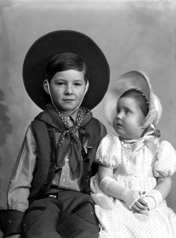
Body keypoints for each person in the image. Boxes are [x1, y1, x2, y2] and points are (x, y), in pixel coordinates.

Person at [0, 30, 110, 238]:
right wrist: (14, 225)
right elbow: (21, 178)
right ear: (47, 86)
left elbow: (108, 174)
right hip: (43, 200)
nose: (69, 91)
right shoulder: (38, 128)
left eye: (76, 84)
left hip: (81, 200)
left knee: (86, 232)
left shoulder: (97, 129)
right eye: (61, 83)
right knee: (39, 232)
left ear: (85, 87)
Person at [90, 71, 176, 238]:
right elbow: (104, 179)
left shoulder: (159, 149)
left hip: (148, 205)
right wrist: (126, 195)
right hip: (119, 201)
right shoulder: (112, 144)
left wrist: (152, 200)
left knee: (157, 230)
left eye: (127, 112)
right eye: (118, 110)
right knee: (116, 230)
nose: (119, 116)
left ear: (146, 121)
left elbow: (165, 182)